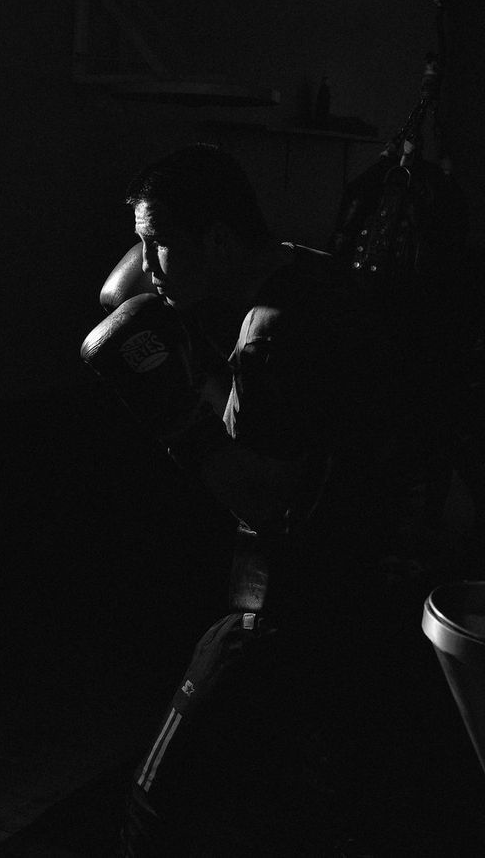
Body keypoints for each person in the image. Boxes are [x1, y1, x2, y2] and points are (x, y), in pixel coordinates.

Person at [81, 143, 432, 855]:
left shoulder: (269, 334)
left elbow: (268, 497)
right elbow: (276, 428)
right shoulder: (315, 275)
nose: (145, 266)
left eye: (159, 245)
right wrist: (196, 356)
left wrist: (174, 418)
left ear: (215, 238)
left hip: (283, 607)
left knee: (158, 804)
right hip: (362, 594)